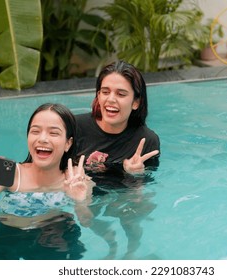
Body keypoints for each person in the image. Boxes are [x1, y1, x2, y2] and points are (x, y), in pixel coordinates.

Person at [0, 103, 94, 260]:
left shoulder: (76, 180)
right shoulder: (10, 174)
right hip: (5, 239)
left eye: (53, 133)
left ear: (68, 143)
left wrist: (79, 202)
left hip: (53, 235)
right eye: (35, 131)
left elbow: (86, 221)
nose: (43, 139)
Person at [74, 60, 160, 259]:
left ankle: (132, 250)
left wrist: (136, 176)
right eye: (105, 92)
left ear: (136, 102)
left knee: (132, 214)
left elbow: (143, 192)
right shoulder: (76, 127)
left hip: (121, 193)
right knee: (86, 218)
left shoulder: (147, 141)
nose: (110, 99)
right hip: (84, 193)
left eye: (121, 94)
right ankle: (111, 245)